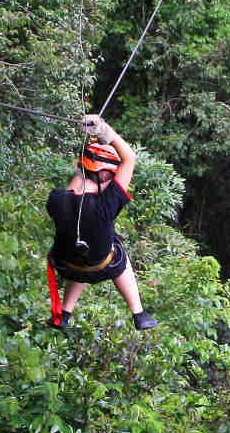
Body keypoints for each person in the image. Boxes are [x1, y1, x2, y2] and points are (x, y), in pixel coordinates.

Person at [45, 113, 157, 331]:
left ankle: (65, 314)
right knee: (116, 251)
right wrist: (106, 132)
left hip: (67, 266)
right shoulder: (107, 204)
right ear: (106, 175)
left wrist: (85, 162)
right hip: (102, 265)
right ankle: (139, 313)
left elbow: (74, 189)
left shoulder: (56, 199)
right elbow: (130, 159)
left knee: (80, 252)